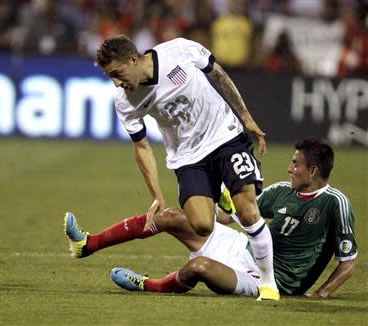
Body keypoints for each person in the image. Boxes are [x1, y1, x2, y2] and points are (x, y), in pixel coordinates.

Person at [94, 34, 278, 300]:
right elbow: (142, 147)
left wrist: (246, 116)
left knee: (248, 212)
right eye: (110, 77)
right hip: (188, 157)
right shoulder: (125, 101)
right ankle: (222, 200)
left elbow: (219, 75)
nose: (117, 82)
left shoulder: (179, 50)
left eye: (117, 73)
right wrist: (157, 195)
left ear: (133, 59)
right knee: (202, 225)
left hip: (225, 136)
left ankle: (268, 284)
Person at [64, 138, 357, 298]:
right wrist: (219, 208)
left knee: (199, 267)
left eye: (296, 164)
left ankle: (149, 285)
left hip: (268, 280)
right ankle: (87, 244)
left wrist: (321, 294)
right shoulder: (281, 191)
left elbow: (348, 263)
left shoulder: (335, 203)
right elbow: (231, 220)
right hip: (243, 249)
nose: (289, 168)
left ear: (314, 171)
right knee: (170, 217)